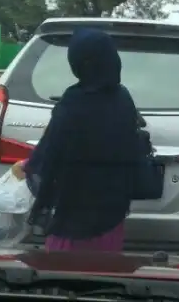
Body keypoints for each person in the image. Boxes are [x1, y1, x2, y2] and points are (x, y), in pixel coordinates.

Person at [12, 28, 145, 252]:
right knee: (105, 276)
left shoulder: (73, 103)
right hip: (111, 216)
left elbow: (51, 153)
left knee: (65, 278)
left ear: (77, 63)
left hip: (73, 217)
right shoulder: (123, 98)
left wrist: (25, 166)